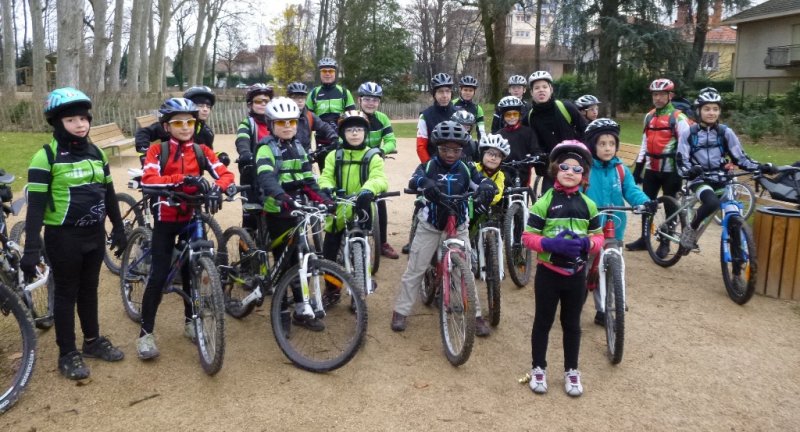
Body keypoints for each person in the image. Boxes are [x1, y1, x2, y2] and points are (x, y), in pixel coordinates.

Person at [22, 87, 128, 380]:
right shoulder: (45, 157)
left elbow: (109, 195)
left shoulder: (96, 154)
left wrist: (118, 229)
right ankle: (67, 353)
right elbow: (35, 209)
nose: (80, 124)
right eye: (71, 120)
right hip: (63, 238)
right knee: (67, 293)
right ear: (57, 122)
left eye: (84, 118)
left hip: (94, 236)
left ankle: (92, 341)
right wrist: (31, 248)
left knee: (89, 290)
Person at [135, 98, 234, 360]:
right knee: (158, 275)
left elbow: (225, 174)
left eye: (189, 121)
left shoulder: (201, 151)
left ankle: (191, 322)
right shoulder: (158, 151)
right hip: (166, 217)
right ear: (167, 127)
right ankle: (145, 334)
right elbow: (150, 179)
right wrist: (183, 180)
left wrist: (216, 188)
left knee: (192, 270)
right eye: (178, 122)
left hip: (193, 215)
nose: (185, 126)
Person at [391, 121, 497, 337]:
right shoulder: (430, 166)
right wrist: (424, 184)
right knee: (416, 268)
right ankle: (401, 311)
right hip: (431, 225)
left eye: (456, 149)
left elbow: (481, 181)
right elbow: (415, 179)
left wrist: (487, 186)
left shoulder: (467, 168)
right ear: (437, 148)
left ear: (462, 149)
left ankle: (475, 315)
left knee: (464, 269)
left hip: (458, 225)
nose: (450, 154)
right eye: (445, 149)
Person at [521, 140, 603, 398]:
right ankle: (538, 367)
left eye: (577, 169)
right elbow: (527, 236)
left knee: (572, 324)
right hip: (549, 273)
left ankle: (571, 369)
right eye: (565, 167)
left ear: (584, 175)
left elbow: (599, 236)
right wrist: (549, 243)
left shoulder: (588, 205)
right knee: (543, 322)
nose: (570, 172)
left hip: (576, 275)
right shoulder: (545, 202)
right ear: (555, 170)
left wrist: (586, 243)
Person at [256, 97, 334, 331]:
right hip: (278, 210)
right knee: (284, 261)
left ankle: (302, 307)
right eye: (281, 123)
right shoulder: (265, 148)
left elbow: (308, 180)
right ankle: (281, 311)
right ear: (271, 125)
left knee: (304, 256)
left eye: (291, 121)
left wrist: (324, 200)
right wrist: (282, 197)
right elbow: (266, 176)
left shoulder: (299, 147)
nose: (288, 126)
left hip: (298, 209)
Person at [676, 88, 774, 253]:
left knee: (733, 213)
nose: (711, 113)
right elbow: (681, 160)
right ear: (698, 111)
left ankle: (737, 262)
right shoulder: (689, 133)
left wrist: (760, 167)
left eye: (715, 109)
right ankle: (691, 229)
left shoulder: (725, 132)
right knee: (712, 202)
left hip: (722, 178)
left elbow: (740, 158)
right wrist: (689, 171)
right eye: (707, 109)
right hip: (699, 179)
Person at [582, 118, 657, 325]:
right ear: (592, 146)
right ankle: (576, 298)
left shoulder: (620, 169)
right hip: (590, 227)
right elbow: (576, 193)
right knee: (585, 266)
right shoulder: (585, 170)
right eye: (602, 144)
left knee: (611, 268)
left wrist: (644, 202)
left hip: (615, 227)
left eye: (612, 144)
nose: (608, 148)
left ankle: (604, 308)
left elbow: (631, 190)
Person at [318, 111, 388, 304]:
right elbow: (326, 176)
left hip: (361, 209)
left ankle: (360, 290)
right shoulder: (334, 155)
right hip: (338, 210)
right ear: (342, 133)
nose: (354, 134)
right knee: (329, 252)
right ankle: (332, 289)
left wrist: (367, 190)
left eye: (358, 129)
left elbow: (379, 178)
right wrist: (327, 189)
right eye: (349, 130)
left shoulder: (373, 156)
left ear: (365, 132)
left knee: (362, 252)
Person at [627, 78, 690, 251]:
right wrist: (638, 168)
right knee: (646, 205)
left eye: (662, 94)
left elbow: (685, 147)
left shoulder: (678, 118)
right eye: (655, 94)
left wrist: (682, 170)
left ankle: (665, 243)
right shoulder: (649, 116)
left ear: (670, 95)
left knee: (670, 207)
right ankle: (644, 238)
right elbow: (644, 143)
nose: (658, 98)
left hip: (672, 170)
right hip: (651, 169)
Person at [357, 81, 399, 259]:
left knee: (380, 200)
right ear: (359, 100)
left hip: (373, 164)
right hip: (354, 164)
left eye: (375, 100)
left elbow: (391, 140)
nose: (371, 103)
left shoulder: (382, 119)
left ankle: (382, 242)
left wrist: (382, 150)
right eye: (367, 99)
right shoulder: (353, 115)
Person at [524, 71, 586, 192]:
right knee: (549, 203)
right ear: (531, 93)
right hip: (550, 169)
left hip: (573, 165)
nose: (541, 90)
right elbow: (526, 140)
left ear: (551, 89)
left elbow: (585, 130)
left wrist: (581, 152)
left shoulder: (566, 107)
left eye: (544, 87)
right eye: (536, 88)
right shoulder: (529, 117)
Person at [135, 85, 217, 164]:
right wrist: (144, 154)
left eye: (208, 106)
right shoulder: (173, 125)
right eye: (200, 106)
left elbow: (208, 154)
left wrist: (220, 156)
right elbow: (143, 132)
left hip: (190, 173)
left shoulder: (207, 133)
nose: (205, 109)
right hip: (164, 170)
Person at [235, 83, 274, 231]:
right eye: (258, 101)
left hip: (272, 173)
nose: (263, 104)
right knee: (249, 218)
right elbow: (242, 139)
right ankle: (247, 251)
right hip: (251, 173)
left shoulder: (276, 123)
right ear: (250, 105)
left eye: (266, 101)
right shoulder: (248, 123)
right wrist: (245, 153)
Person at [306, 57, 356, 170]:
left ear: (335, 73)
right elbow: (307, 120)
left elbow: (352, 117)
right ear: (320, 73)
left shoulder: (344, 92)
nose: (327, 74)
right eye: (324, 71)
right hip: (321, 137)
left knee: (342, 170)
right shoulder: (314, 93)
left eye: (331, 71)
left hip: (340, 137)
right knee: (324, 170)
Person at [496, 96, 542, 187]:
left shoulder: (528, 132)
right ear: (503, 117)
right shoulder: (499, 135)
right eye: (508, 115)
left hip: (523, 170)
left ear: (520, 115)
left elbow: (535, 148)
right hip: (504, 171)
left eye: (515, 114)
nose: (512, 117)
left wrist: (537, 155)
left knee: (524, 194)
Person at [286, 81, 339, 153]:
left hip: (306, 155)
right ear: (289, 99)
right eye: (296, 97)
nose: (300, 100)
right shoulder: (282, 117)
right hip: (287, 155)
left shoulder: (309, 116)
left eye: (303, 97)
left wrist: (334, 138)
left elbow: (323, 126)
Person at [416, 72, 457, 163]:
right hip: (434, 163)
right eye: (440, 91)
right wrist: (429, 166)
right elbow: (421, 147)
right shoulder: (425, 116)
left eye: (447, 91)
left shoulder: (459, 114)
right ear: (434, 94)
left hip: (456, 165)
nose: (445, 95)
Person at [452, 75, 486, 140]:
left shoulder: (478, 109)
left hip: (467, 140)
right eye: (465, 90)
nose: (468, 93)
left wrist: (482, 145)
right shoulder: (452, 104)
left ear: (474, 92)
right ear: (460, 90)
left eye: (470, 90)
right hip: (452, 140)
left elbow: (481, 131)